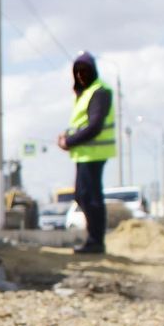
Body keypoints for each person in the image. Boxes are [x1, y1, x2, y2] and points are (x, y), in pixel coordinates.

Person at [57, 52, 115, 254]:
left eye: (84, 71)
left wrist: (69, 141)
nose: (81, 76)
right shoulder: (87, 92)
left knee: (90, 197)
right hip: (84, 154)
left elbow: (94, 126)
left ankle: (96, 241)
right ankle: (94, 239)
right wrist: (67, 137)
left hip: (94, 154)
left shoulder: (99, 92)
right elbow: (81, 124)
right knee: (83, 195)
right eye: (77, 72)